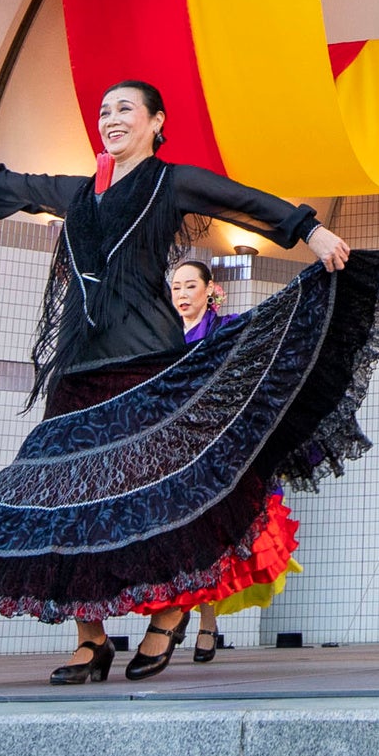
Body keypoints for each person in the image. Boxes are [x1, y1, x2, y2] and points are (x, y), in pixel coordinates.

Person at [0, 78, 379, 685]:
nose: (111, 118)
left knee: (167, 495)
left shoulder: (171, 181)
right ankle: (91, 640)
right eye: (104, 111)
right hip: (77, 368)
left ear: (156, 121)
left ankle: (170, 615)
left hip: (147, 363)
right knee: (61, 500)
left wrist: (309, 229)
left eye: (125, 108)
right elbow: (23, 187)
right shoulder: (81, 193)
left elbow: (241, 200)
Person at [157, 256, 295, 664]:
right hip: (174, 448)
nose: (182, 294)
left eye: (190, 286)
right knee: (176, 536)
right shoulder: (163, 337)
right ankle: (180, 610)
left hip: (217, 448)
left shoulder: (227, 327)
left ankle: (206, 620)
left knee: (211, 535)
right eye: (176, 287)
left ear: (210, 289)